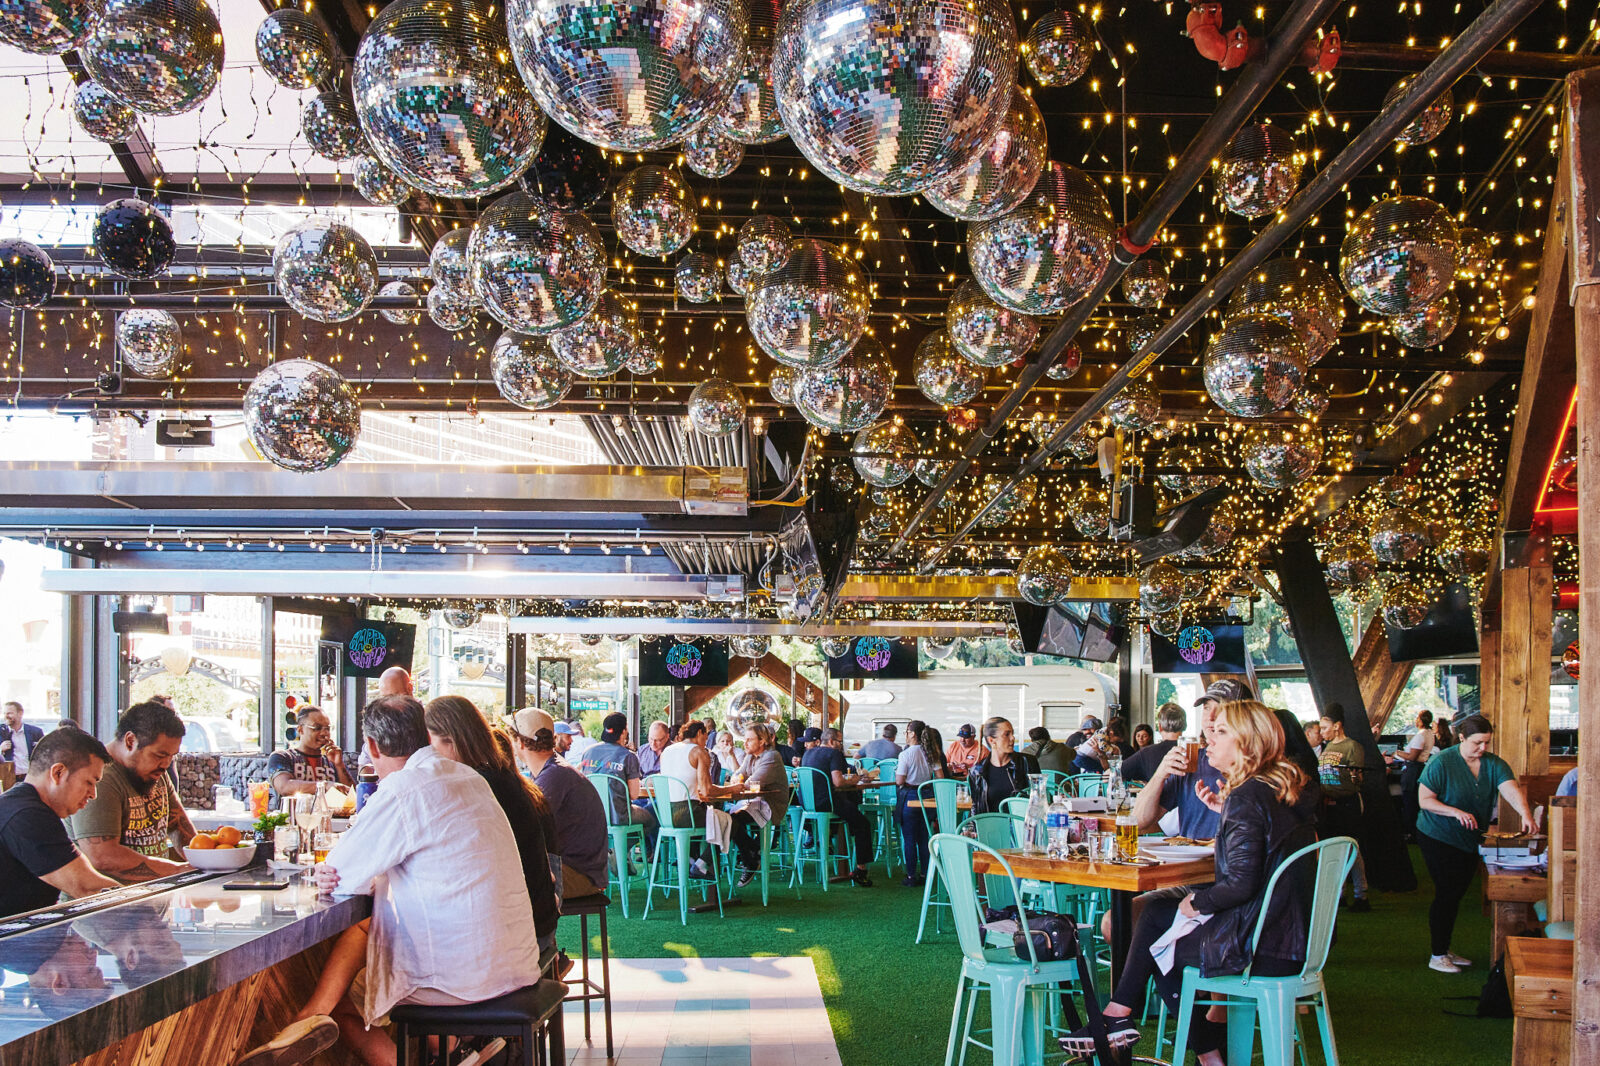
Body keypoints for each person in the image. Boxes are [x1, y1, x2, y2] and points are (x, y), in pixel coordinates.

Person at [237, 695, 541, 1066]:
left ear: (372, 746)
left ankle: (306, 1020)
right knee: (374, 934)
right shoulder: (468, 777)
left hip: (462, 978)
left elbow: (344, 874)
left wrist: (345, 870)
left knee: (349, 1003)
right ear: (425, 735)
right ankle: (454, 1050)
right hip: (517, 962)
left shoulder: (403, 789)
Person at [1062, 699, 1319, 1061]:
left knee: (1159, 944)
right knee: (1154, 920)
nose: (1208, 739)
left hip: (1263, 943)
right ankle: (1119, 1017)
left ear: (1246, 743)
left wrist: (1197, 902)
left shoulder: (1246, 798)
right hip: (1288, 936)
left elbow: (1242, 884)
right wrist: (1226, 815)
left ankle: (1129, 1023)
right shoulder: (1276, 789)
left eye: (1221, 732)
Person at [423, 697, 559, 966]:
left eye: (430, 743)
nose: (427, 753)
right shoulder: (498, 778)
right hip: (538, 919)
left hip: (519, 934)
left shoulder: (479, 786)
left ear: (450, 740)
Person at [1416, 714, 1537, 973]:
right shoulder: (1442, 761)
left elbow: (1510, 789)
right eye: (1477, 743)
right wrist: (1455, 812)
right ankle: (1437, 955)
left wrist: (1525, 814)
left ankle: (1444, 948)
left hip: (1469, 838)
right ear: (1461, 738)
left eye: (1487, 743)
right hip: (1437, 835)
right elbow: (1425, 800)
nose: (1483, 748)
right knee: (1447, 893)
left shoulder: (1494, 764)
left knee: (1456, 893)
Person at [67, 702, 193, 883]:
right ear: (130, 741)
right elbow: (103, 857)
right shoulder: (101, 777)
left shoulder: (155, 770)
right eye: (159, 755)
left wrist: (210, 859)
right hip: (105, 906)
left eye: (172, 756)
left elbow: (178, 824)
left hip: (149, 901)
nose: (166, 764)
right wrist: (178, 871)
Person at [0, 727, 120, 918]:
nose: (93, 794)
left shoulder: (21, 805)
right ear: (58, 773)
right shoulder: (28, 815)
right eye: (90, 782)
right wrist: (152, 903)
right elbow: (86, 887)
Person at [508, 708, 609, 897]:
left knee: (503, 884)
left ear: (520, 743)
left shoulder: (554, 776)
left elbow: (525, 828)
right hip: (580, 869)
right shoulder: (553, 770)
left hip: (579, 875)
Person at [1130, 695, 1227, 841]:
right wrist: (1160, 774)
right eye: (1206, 708)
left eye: (1221, 708)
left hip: (1226, 862)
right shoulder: (1189, 762)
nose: (1211, 717)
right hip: (1189, 861)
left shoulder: (1255, 768)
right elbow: (1138, 822)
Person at [705, 721, 789, 885]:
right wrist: (739, 781)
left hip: (772, 805)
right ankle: (751, 852)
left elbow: (750, 782)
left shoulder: (772, 757)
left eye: (749, 740)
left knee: (731, 820)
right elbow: (737, 776)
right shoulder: (750, 756)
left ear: (762, 741)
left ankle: (748, 857)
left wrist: (740, 782)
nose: (745, 743)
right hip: (753, 802)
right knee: (729, 819)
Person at [800, 727, 876, 887]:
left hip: (808, 805)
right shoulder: (834, 753)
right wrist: (854, 780)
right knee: (863, 823)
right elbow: (838, 782)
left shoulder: (808, 753)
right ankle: (860, 870)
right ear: (832, 741)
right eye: (840, 742)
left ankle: (831, 842)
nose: (841, 745)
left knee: (851, 813)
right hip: (828, 803)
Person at [575, 712, 657, 852]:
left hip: (592, 814)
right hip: (618, 815)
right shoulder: (628, 756)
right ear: (624, 731)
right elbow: (634, 795)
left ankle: (613, 852)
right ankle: (620, 851)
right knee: (650, 820)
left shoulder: (588, 752)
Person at [1316, 708, 1370, 911]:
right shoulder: (1327, 746)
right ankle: (1340, 894)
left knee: (1352, 849)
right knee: (1335, 849)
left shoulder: (1352, 746)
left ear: (1337, 726)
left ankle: (1361, 894)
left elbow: (1358, 780)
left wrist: (1354, 775)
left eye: (1325, 727)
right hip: (1329, 805)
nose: (1321, 732)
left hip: (1348, 803)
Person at [895, 719, 945, 888]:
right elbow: (940, 777)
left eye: (907, 732)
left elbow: (900, 780)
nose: (906, 735)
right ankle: (925, 873)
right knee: (924, 837)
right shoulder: (931, 752)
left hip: (909, 794)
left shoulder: (906, 754)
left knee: (909, 838)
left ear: (913, 734)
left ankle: (910, 875)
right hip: (927, 796)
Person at [267, 706, 354, 798]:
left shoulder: (332, 760)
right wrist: (324, 786)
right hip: (293, 812)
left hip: (332, 812)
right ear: (300, 730)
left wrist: (339, 765)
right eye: (317, 728)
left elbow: (353, 795)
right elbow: (283, 787)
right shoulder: (283, 757)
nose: (324, 733)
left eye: (327, 728)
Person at [967, 717, 1037, 813]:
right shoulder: (977, 771)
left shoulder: (1027, 762)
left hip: (1020, 826)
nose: (1013, 738)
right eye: (1007, 734)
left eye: (1012, 733)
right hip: (990, 826)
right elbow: (976, 806)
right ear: (992, 740)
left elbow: (1039, 800)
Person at [1391, 709, 1436, 838]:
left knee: (1409, 801)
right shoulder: (1429, 734)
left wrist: (1397, 752)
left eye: (1417, 718)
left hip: (1413, 771)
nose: (1416, 721)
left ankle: (1410, 832)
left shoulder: (1421, 735)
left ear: (1421, 721)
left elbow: (1412, 756)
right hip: (1420, 769)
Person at [1122, 703, 1185, 784]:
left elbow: (1114, 772)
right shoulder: (1195, 752)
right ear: (1184, 725)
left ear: (1160, 726)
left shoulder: (1147, 753)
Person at [0, 701, 45, 779]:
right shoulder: (1, 731)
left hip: (30, 777)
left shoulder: (35, 732)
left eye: (9, 713)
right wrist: (0, 749)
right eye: (4, 713)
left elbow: (45, 755)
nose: (6, 716)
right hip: (8, 777)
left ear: (20, 713)